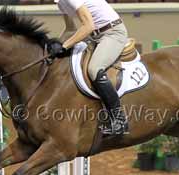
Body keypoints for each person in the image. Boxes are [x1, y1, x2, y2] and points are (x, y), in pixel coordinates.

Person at [49, 0, 129, 135]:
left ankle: (119, 119)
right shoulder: (60, 2)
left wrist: (64, 46)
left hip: (113, 33)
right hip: (95, 37)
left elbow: (88, 26)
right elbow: (70, 29)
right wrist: (55, 46)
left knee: (94, 69)